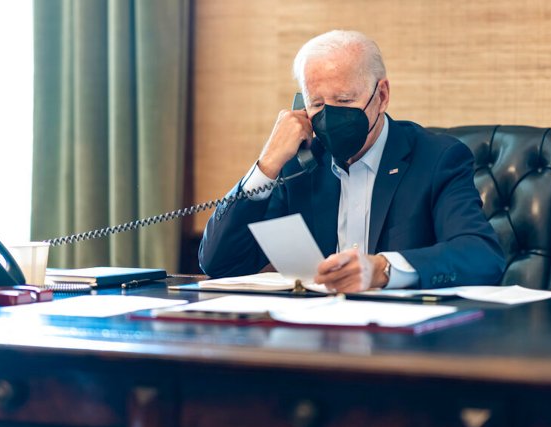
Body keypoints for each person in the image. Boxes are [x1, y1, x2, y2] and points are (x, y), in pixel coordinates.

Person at [198, 30, 505, 292]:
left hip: (403, 344)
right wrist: (266, 165)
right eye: (317, 103)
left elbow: (482, 256)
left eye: (344, 101)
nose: (330, 116)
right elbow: (221, 262)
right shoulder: (298, 165)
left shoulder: (438, 158)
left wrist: (382, 270)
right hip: (316, 338)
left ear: (382, 96)